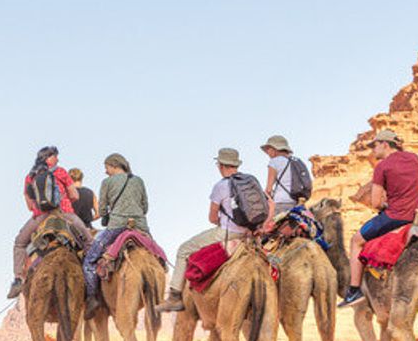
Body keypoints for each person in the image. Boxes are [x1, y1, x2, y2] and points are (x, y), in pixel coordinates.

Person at [339, 130, 418, 307]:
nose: (373, 150)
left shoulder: (382, 167)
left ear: (385, 144)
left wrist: (384, 205)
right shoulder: (414, 158)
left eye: (375, 145)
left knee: (356, 241)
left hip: (397, 216)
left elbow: (376, 202)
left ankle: (354, 290)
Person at [154, 148, 249, 313]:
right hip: (248, 234)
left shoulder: (221, 186)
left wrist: (226, 221)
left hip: (227, 233)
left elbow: (212, 218)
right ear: (236, 164)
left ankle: (175, 296)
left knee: (184, 249)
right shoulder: (248, 182)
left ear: (220, 165)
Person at [8, 146, 93, 298]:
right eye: (55, 156)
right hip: (64, 213)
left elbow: (29, 205)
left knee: (19, 243)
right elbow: (75, 196)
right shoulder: (60, 172)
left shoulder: (30, 177)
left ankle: (18, 279)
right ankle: (92, 278)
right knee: (89, 240)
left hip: (40, 216)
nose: (58, 159)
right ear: (48, 158)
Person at [82, 153, 150, 314]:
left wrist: (106, 219)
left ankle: (92, 298)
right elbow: (145, 207)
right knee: (159, 257)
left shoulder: (107, 182)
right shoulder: (138, 180)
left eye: (106, 168)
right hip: (140, 226)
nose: (105, 172)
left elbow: (103, 210)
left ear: (113, 166)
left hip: (116, 226)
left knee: (89, 261)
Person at [261, 134, 297, 215]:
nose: (267, 152)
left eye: (268, 149)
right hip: (296, 202)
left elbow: (268, 190)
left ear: (274, 149)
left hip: (281, 203)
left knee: (266, 226)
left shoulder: (274, 162)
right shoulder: (294, 162)